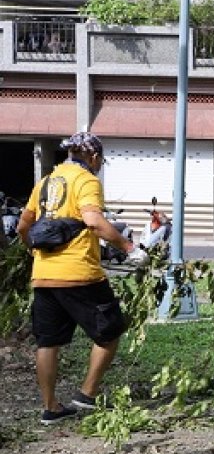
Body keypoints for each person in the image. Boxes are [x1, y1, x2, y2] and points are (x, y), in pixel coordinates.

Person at [16, 132, 146, 425]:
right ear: (93, 157)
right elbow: (93, 221)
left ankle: (51, 408)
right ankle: (86, 395)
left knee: (48, 343)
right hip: (80, 276)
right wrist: (129, 248)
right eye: (100, 159)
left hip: (44, 276)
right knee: (110, 331)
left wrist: (33, 254)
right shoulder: (86, 181)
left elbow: (24, 226)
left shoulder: (47, 182)